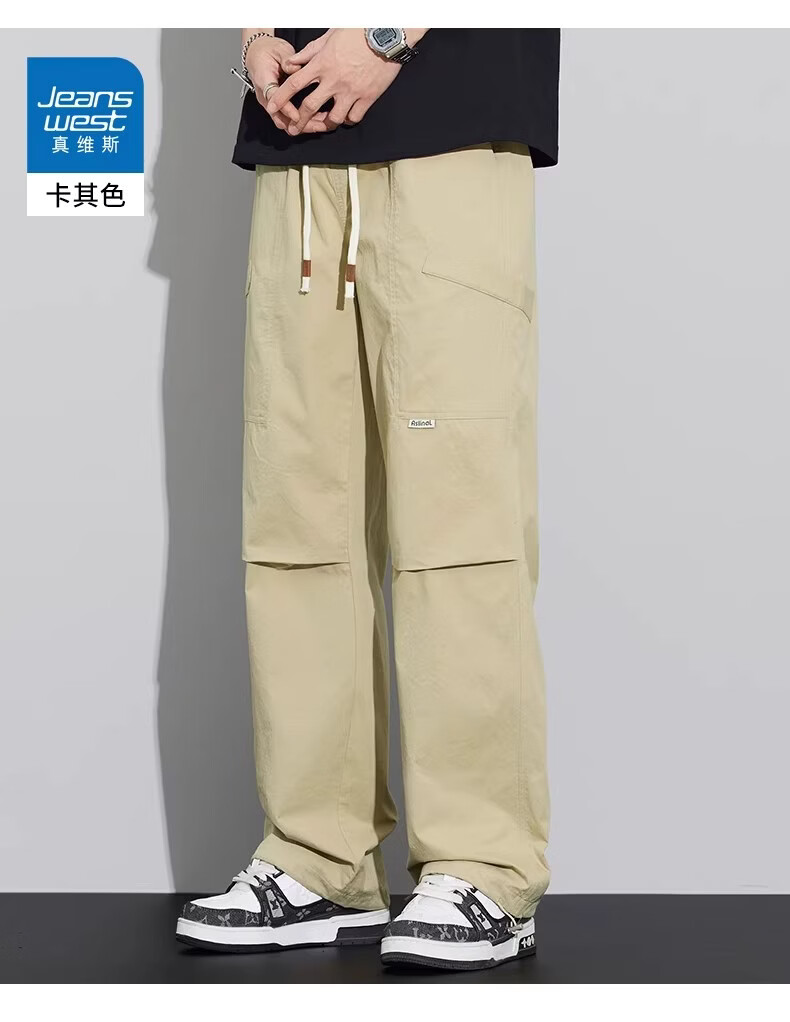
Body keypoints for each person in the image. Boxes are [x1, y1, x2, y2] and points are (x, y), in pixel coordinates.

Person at [177, 27, 560, 972]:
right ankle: (317, 855)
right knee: (297, 517)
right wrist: (256, 36)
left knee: (457, 519)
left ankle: (485, 865)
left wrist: (388, 35)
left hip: (452, 127)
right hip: (298, 146)